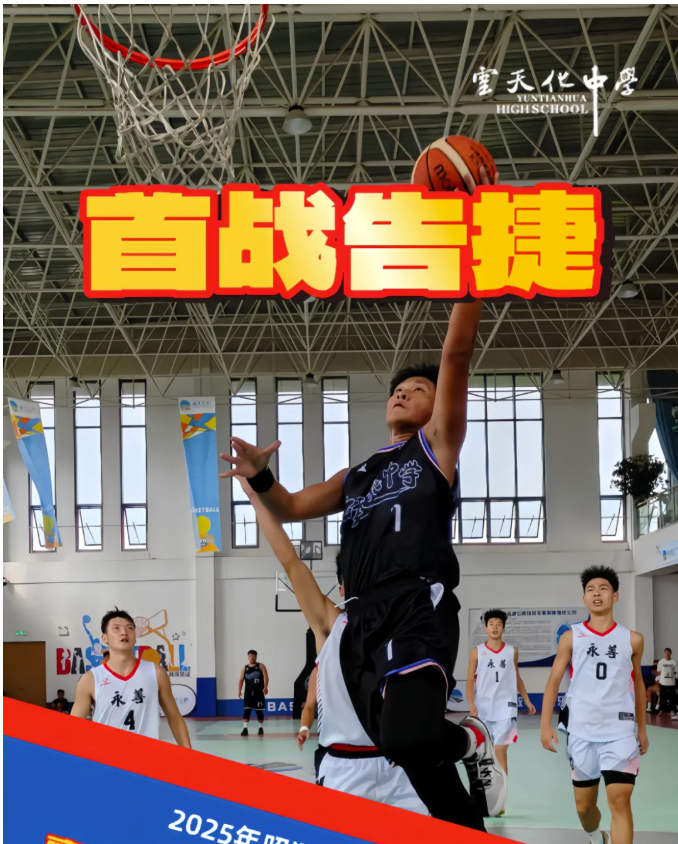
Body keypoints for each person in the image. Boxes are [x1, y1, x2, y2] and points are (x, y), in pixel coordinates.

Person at [220, 179, 506, 828]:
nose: (404, 393)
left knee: (407, 737)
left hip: (416, 602)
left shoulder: (436, 450)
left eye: (418, 389)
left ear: (436, 408)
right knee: (404, 747)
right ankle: (467, 814)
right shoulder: (358, 474)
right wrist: (260, 479)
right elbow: (290, 506)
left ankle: (471, 738)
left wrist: (471, 253)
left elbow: (456, 353)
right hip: (363, 613)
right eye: (399, 388)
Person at [243, 481, 427, 814]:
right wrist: (257, 496)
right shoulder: (331, 624)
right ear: (342, 586)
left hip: (401, 769)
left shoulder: (405, 624)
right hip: (344, 768)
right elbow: (291, 562)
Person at [541, 566, 648, 844]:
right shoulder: (572, 636)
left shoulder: (633, 639)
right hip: (581, 732)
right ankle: (596, 836)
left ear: (616, 596)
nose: (596, 593)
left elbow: (638, 684)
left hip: (620, 732)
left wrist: (642, 729)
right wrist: (545, 725)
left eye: (603, 588)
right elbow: (553, 681)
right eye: (590, 589)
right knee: (584, 808)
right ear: (584, 598)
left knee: (620, 801)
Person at [71, 607, 191, 748]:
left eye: (129, 628)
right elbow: (74, 728)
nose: (124, 632)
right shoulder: (90, 679)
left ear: (135, 637)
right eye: (116, 628)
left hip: (147, 756)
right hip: (105, 757)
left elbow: (174, 717)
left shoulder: (156, 673)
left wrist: (189, 754)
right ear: (104, 638)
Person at [466, 609, 536, 789]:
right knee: (483, 753)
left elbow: (516, 677)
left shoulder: (512, 651)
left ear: (503, 629)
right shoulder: (476, 652)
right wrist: (471, 703)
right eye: (491, 624)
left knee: (500, 751)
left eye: (498, 624)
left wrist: (526, 699)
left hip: (506, 708)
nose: (495, 627)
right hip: (483, 709)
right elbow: (470, 681)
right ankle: (485, 791)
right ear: (486, 629)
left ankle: (501, 793)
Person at [238, 650, 269, 736]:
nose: (252, 657)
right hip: (248, 693)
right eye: (250, 656)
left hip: (258, 693)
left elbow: (266, 677)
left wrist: (265, 687)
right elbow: (241, 680)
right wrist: (239, 690)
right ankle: (245, 729)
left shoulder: (261, 666)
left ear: (256, 657)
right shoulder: (244, 668)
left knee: (259, 712)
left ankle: (260, 728)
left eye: (253, 656)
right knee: (246, 710)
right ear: (248, 657)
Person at [656, 647, 677, 714]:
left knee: (672, 697)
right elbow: (658, 671)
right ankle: (661, 709)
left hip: (671, 683)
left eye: (668, 652)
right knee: (662, 697)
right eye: (666, 652)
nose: (667, 653)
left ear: (670, 653)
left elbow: (675, 672)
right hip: (663, 682)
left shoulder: (674, 662)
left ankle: (673, 710)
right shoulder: (661, 662)